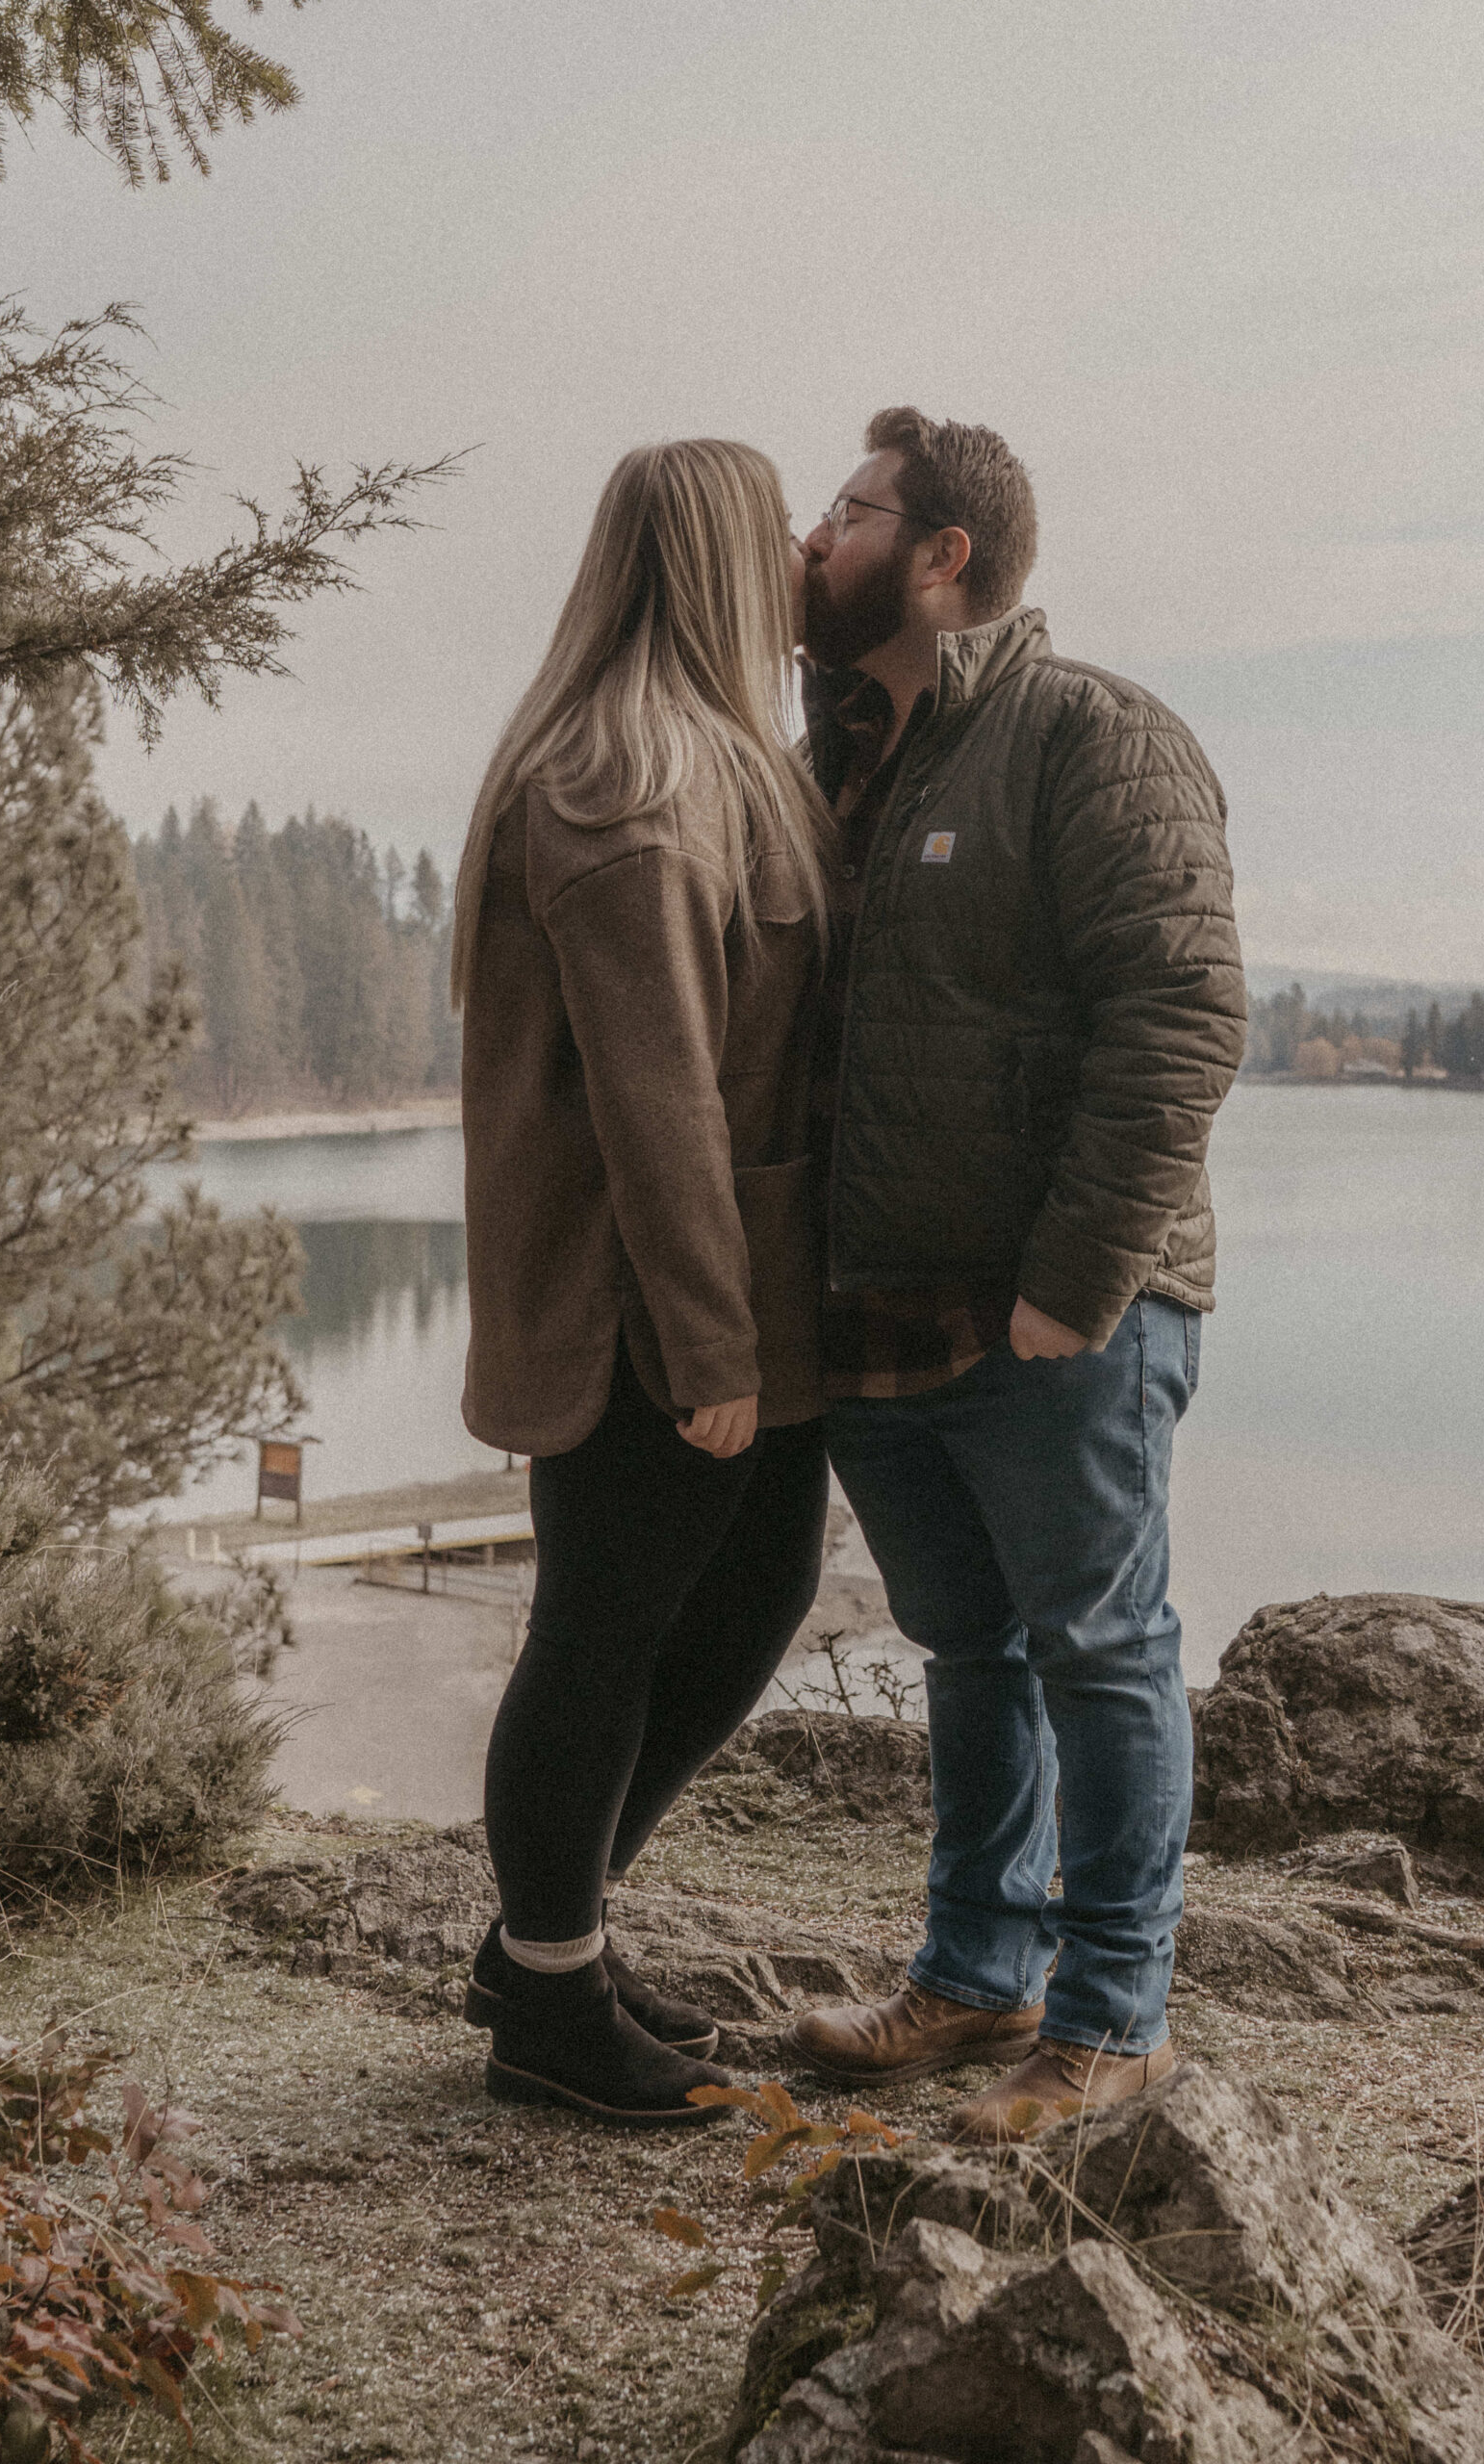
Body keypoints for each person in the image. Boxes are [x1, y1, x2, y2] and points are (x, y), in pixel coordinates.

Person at [783, 408, 1245, 2143]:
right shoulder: (831, 753)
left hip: (1061, 1318)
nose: (814, 539)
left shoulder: (1091, 735)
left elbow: (1184, 1011)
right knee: (968, 1653)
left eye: (844, 511)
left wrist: (1077, 1281)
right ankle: (978, 1979)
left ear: (942, 553)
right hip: (879, 1319)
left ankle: (1113, 2019)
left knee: (1105, 1650)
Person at [448, 439, 832, 2125]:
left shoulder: (711, 763)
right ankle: (547, 1993)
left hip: (714, 1301)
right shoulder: (626, 784)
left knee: (748, 1604)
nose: (815, 558)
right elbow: (656, 1095)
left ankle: (554, 1937)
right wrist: (708, 1344)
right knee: (598, 1638)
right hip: (647, 1313)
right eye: (788, 536)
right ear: (726, 563)